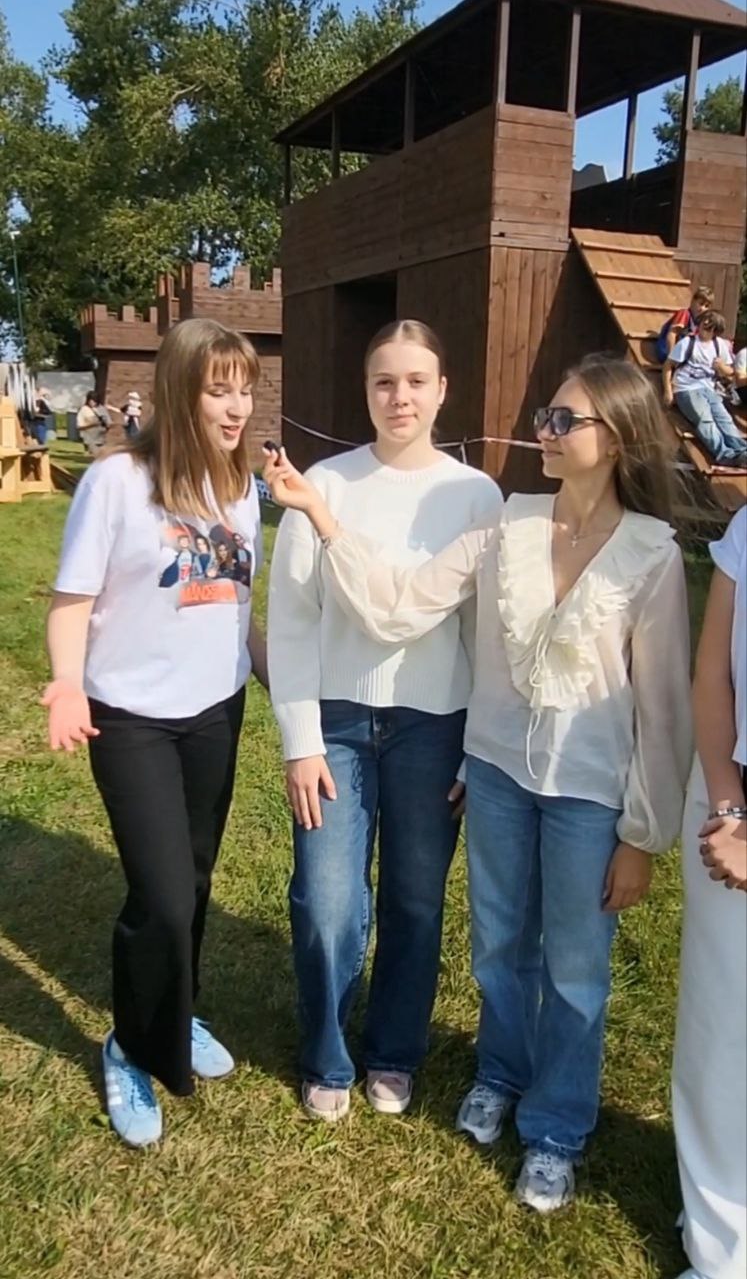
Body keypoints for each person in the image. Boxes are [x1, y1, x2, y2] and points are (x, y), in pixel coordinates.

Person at [263, 353, 693, 1208]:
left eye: (563, 420)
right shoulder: (508, 525)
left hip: (588, 794)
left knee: (575, 970)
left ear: (615, 438)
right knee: (498, 949)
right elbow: (398, 606)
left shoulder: (651, 556)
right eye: (545, 416)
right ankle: (499, 1075)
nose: (545, 432)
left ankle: (555, 1129)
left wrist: (643, 835)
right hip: (493, 776)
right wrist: (322, 516)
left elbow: (664, 710)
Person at [267, 319, 503, 1123]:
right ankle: (327, 1054)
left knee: (414, 899)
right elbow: (292, 623)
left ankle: (394, 1051)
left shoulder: (474, 497)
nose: (399, 397)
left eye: (414, 381)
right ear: (365, 390)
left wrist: (473, 749)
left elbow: (484, 638)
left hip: (434, 728)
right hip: (335, 724)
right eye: (383, 381)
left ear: (442, 391)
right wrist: (300, 741)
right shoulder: (323, 485)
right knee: (326, 900)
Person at [43, 318, 268, 1148]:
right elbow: (71, 602)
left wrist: (281, 679)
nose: (237, 407)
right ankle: (130, 1047)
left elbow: (237, 607)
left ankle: (176, 1012)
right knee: (163, 896)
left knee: (195, 881)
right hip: (132, 718)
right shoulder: (116, 483)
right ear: (178, 391)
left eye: (244, 390)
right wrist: (68, 685)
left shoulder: (241, 489)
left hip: (215, 713)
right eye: (219, 390)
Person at [673, 505, 746, 1279]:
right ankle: (720, 1244)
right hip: (728, 801)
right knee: (720, 1034)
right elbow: (711, 675)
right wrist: (729, 807)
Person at [663, 311, 747, 470]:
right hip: (686, 389)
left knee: (724, 419)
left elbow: (730, 372)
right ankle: (724, 454)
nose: (705, 327)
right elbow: (668, 366)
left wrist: (722, 367)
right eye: (704, 323)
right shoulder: (687, 343)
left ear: (715, 331)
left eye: (709, 326)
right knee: (705, 419)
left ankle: (742, 451)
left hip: (709, 389)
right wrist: (668, 390)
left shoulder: (719, 345)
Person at [656, 286, 716, 363]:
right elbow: (672, 334)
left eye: (706, 306)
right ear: (693, 301)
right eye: (700, 304)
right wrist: (671, 357)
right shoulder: (684, 314)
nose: (702, 308)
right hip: (667, 349)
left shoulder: (700, 322)